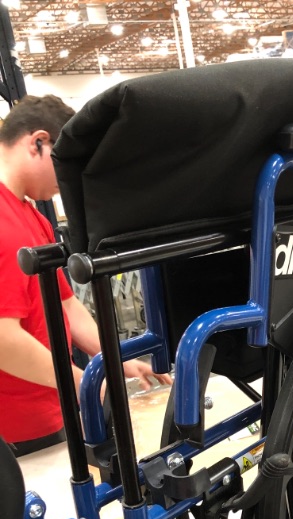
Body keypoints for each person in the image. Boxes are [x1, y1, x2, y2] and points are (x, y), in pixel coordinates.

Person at [0, 95, 172, 457]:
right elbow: (3, 339)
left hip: (50, 415)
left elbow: (67, 307)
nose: (68, 181)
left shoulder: (34, 218)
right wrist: (83, 383)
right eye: (66, 164)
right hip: (12, 435)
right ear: (38, 143)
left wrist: (117, 360)